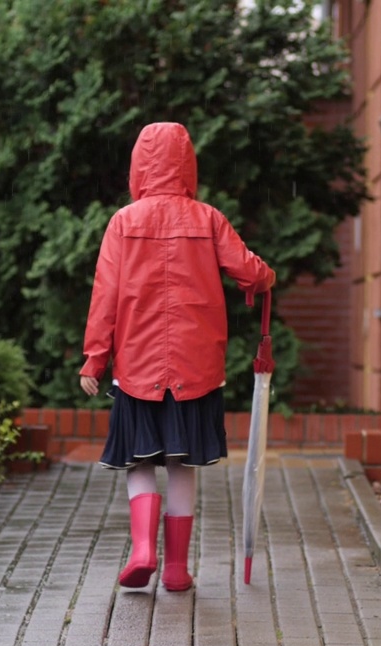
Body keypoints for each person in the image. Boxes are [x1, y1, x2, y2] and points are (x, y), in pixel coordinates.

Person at [79, 122, 275, 592]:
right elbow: (247, 269)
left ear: (138, 166)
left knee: (140, 463)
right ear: (188, 165)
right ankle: (176, 569)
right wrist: (264, 277)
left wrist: (94, 359)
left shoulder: (123, 222)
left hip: (137, 364)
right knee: (181, 464)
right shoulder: (208, 219)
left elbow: (105, 296)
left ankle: (143, 548)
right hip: (196, 366)